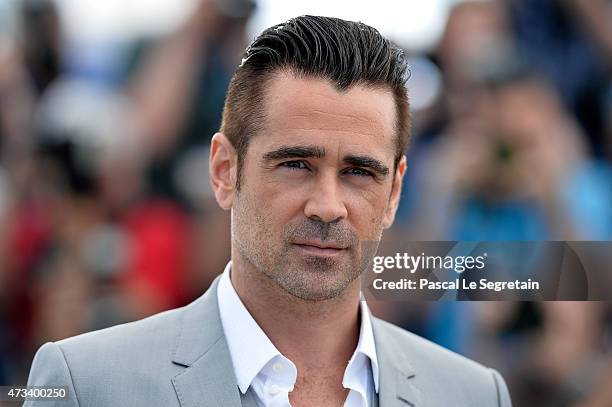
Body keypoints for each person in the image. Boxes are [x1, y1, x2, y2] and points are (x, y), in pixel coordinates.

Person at [24, 16, 512, 407]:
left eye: (359, 172)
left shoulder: (473, 395)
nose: (327, 205)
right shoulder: (85, 385)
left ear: (395, 191)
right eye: (296, 164)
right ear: (224, 172)